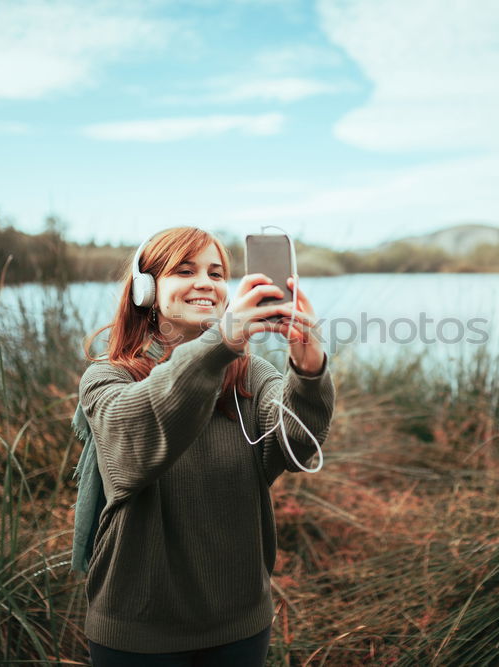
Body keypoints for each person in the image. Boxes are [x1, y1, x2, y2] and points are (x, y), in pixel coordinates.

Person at [75, 227, 335, 666]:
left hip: (240, 625)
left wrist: (308, 367)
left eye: (217, 273)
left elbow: (297, 447)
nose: (206, 282)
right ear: (146, 290)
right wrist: (221, 344)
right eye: (184, 270)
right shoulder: (107, 379)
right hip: (138, 630)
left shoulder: (251, 378)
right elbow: (135, 437)